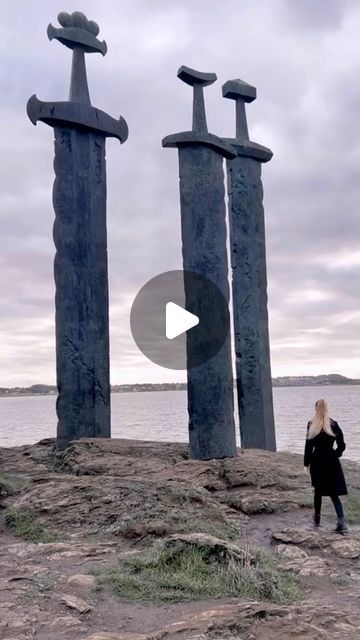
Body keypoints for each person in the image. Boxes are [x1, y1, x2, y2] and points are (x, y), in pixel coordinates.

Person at [304, 398, 348, 534]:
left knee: (318, 491)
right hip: (331, 462)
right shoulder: (333, 424)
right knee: (333, 493)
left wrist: (306, 464)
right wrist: (336, 454)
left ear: (316, 409)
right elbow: (342, 444)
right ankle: (342, 522)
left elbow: (308, 447)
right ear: (327, 408)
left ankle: (317, 521)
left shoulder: (311, 424)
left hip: (317, 462)